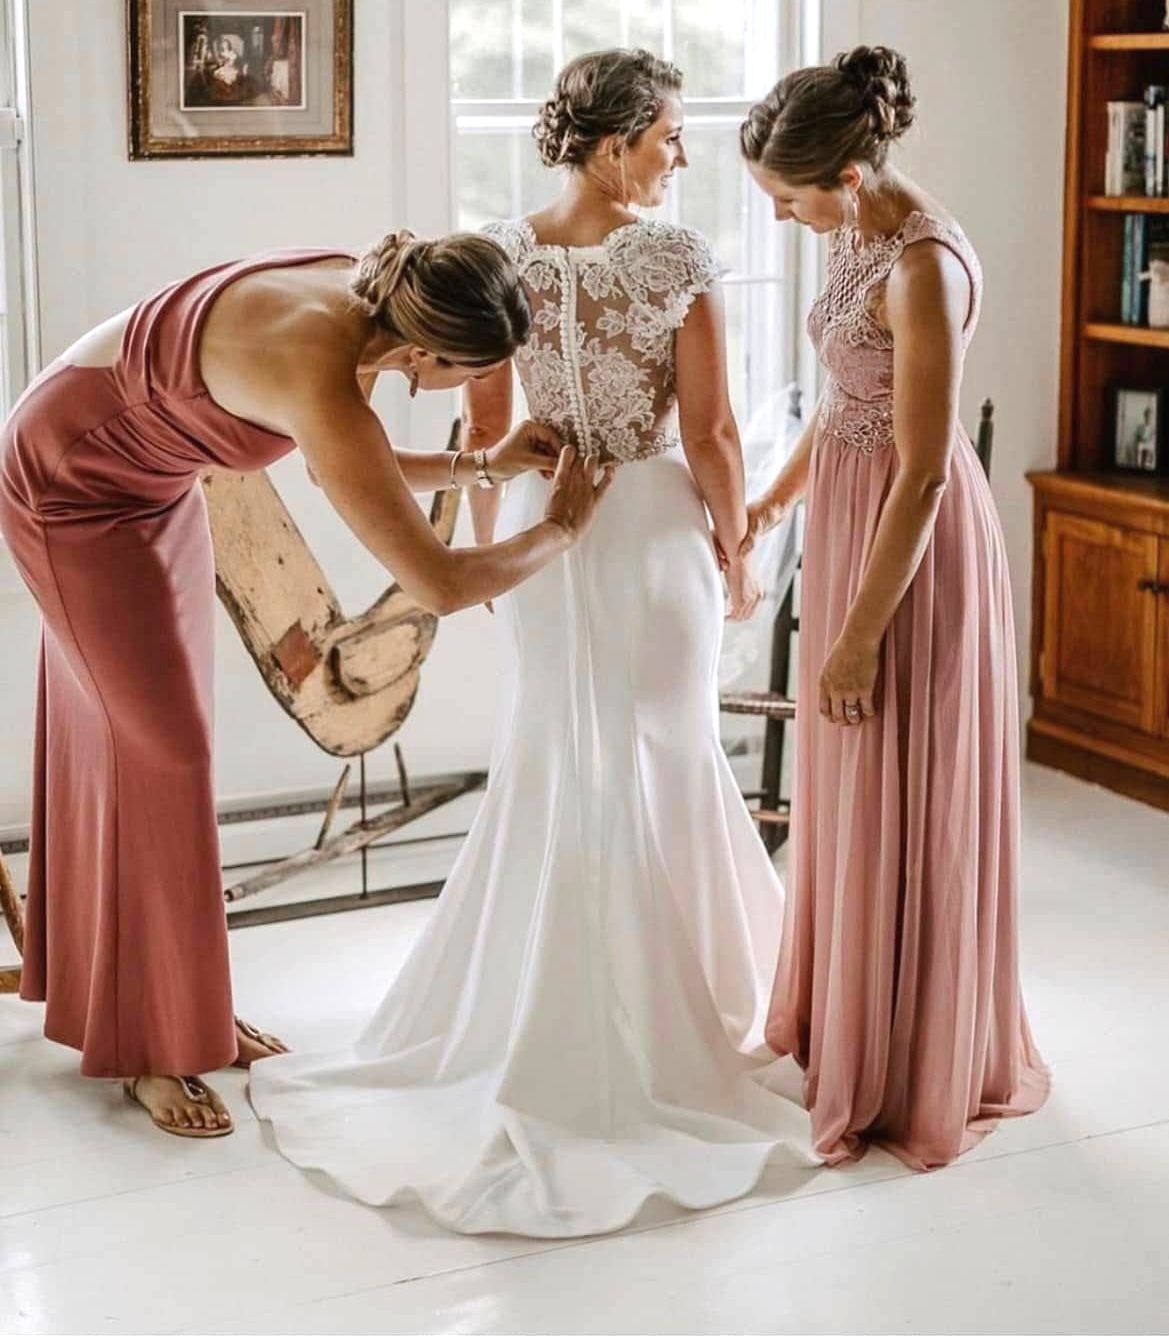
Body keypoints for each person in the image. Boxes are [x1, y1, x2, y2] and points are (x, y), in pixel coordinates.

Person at [250, 48, 816, 1239]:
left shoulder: (496, 251)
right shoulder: (674, 257)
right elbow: (709, 429)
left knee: (561, 755)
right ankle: (680, 1015)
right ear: (613, 145)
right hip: (650, 523)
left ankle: (553, 1009)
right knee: (662, 753)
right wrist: (737, 546)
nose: (677, 155)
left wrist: (502, 537)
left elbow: (488, 424)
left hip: (537, 533)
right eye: (666, 134)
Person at [0, 231, 611, 1141]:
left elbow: (344, 460)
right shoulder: (319, 362)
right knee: (163, 755)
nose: (484, 390)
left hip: (161, 485)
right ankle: (149, 1047)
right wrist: (561, 528)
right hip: (68, 486)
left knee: (145, 743)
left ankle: (180, 1006)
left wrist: (486, 464)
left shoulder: (369, 295)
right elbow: (439, 580)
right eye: (478, 372)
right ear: (425, 354)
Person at [738, 46, 1051, 1169]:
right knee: (854, 787)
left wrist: (858, 637)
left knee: (898, 776)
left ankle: (912, 1059)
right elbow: (842, 399)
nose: (780, 219)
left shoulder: (920, 265)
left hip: (908, 550)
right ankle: (849, 1024)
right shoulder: (856, 233)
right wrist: (772, 505)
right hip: (846, 520)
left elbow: (921, 466)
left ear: (851, 173)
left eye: (789, 199)